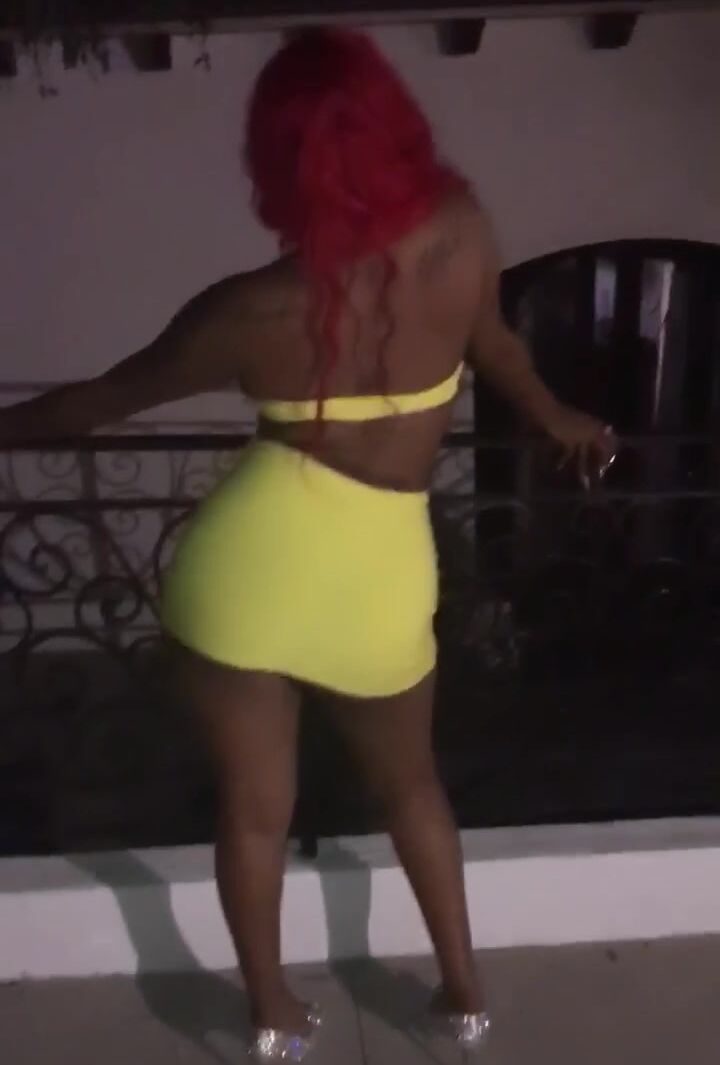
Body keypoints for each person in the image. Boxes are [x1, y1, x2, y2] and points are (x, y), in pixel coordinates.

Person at [0, 28, 616, 1061]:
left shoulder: (249, 310)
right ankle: (464, 998)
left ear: (276, 163)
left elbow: (91, 405)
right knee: (413, 789)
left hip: (244, 575)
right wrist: (555, 415)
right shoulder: (461, 235)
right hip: (380, 574)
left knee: (254, 812)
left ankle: (273, 1017)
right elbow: (495, 344)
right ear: (395, 125)